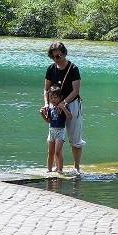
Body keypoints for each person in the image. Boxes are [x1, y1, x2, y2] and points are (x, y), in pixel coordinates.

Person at [42, 41, 84, 175]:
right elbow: (46, 89)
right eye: (53, 57)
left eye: (59, 56)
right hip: (54, 105)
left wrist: (63, 103)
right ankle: (56, 166)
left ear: (64, 53)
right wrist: (47, 104)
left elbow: (75, 91)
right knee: (54, 134)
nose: (56, 59)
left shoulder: (73, 69)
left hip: (71, 104)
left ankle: (76, 167)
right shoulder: (50, 69)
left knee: (75, 138)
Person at [41, 82, 68, 175]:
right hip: (51, 131)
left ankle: (60, 169)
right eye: (51, 97)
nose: (52, 99)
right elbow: (48, 121)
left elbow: (70, 117)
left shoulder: (62, 106)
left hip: (60, 131)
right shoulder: (50, 108)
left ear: (60, 97)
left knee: (57, 151)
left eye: (55, 97)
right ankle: (49, 169)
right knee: (50, 152)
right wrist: (42, 115)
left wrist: (64, 108)